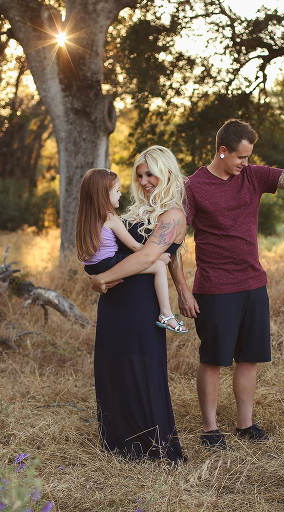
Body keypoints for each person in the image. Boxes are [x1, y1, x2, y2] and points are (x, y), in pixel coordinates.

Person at [169, 119, 284, 450]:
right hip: (213, 287)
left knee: (248, 357)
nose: (246, 164)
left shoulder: (253, 176)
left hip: (253, 283)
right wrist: (183, 290)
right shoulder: (193, 187)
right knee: (213, 358)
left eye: (249, 157)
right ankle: (210, 429)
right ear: (222, 151)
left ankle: (246, 424)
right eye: (241, 157)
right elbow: (174, 245)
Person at [87, 146, 189, 463]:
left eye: (151, 174)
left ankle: (154, 449)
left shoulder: (173, 215)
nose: (144, 181)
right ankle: (121, 445)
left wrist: (100, 279)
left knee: (142, 371)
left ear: (167, 173)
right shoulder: (135, 210)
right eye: (140, 175)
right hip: (116, 301)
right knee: (114, 368)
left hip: (142, 305)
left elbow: (147, 256)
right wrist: (98, 274)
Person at [75, 168, 187, 333]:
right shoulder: (110, 217)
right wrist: (157, 256)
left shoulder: (85, 218)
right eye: (117, 191)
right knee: (159, 267)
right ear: (104, 194)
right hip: (109, 265)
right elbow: (135, 247)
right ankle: (166, 314)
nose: (120, 194)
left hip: (93, 268)